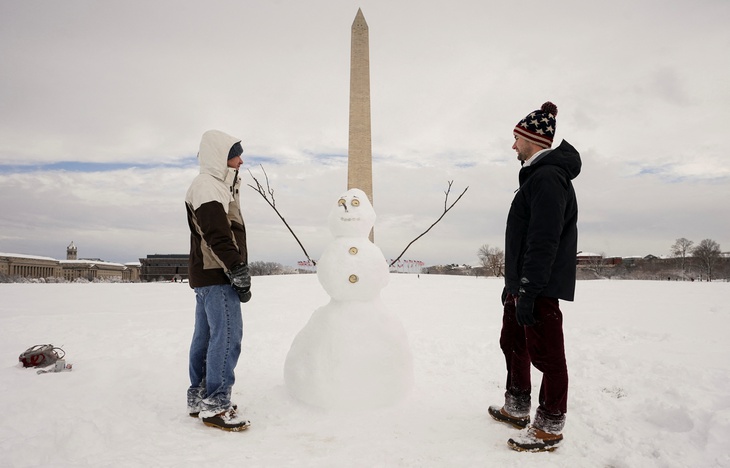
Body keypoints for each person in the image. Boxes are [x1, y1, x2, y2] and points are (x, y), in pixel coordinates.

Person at [488, 102, 581, 452]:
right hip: (522, 286)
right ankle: (517, 407)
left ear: (532, 140)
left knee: (548, 357)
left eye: (516, 139)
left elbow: (544, 240)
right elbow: (524, 239)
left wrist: (528, 290)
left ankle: (549, 427)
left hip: (538, 288)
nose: (513, 146)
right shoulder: (535, 177)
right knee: (512, 343)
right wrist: (512, 287)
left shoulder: (547, 178)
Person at [185, 129, 252, 432]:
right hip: (218, 274)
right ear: (221, 157)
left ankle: (200, 397)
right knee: (226, 338)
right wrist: (237, 269)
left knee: (207, 337)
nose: (240, 160)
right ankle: (216, 404)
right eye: (235, 154)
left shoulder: (216, 186)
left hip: (209, 275)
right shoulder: (209, 186)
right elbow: (218, 235)